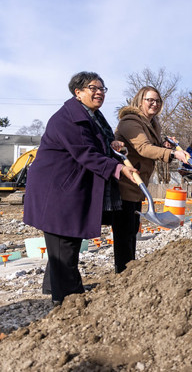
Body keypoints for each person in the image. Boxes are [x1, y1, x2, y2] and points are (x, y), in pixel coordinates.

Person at [23, 71, 139, 305]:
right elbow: (86, 152)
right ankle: (68, 302)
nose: (99, 93)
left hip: (71, 187)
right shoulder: (67, 118)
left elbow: (98, 143)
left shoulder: (94, 116)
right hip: (56, 189)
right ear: (78, 92)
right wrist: (119, 169)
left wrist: (112, 144)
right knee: (64, 245)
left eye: (102, 89)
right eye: (93, 88)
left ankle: (53, 288)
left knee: (67, 243)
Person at [112, 86, 190, 273]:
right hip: (125, 183)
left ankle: (127, 270)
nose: (154, 104)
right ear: (140, 101)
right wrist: (172, 154)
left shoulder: (152, 124)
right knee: (125, 233)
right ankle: (123, 272)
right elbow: (143, 148)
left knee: (132, 231)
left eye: (158, 101)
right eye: (150, 100)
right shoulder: (130, 121)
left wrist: (163, 144)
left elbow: (151, 146)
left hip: (138, 183)